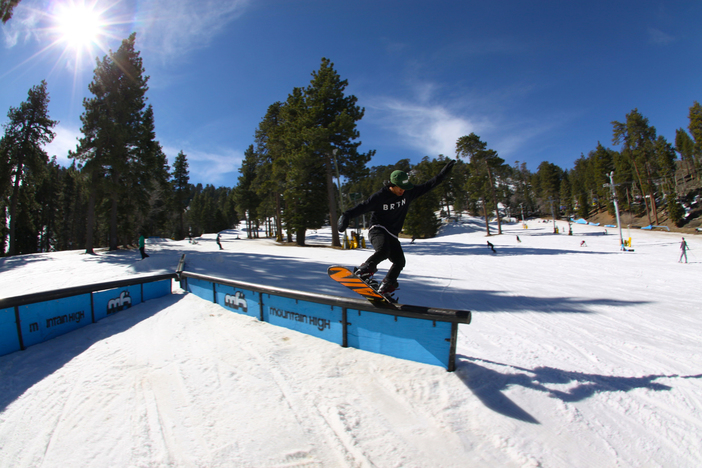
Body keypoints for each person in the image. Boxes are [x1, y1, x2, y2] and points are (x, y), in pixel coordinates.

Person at [337, 159, 456, 294]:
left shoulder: (409, 192)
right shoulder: (380, 197)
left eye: (404, 187)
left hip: (392, 233)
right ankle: (363, 271)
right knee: (383, 251)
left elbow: (429, 185)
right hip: (378, 228)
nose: (402, 190)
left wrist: (442, 175)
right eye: (399, 187)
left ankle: (387, 285)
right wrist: (346, 215)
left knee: (400, 261)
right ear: (391, 185)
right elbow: (362, 207)